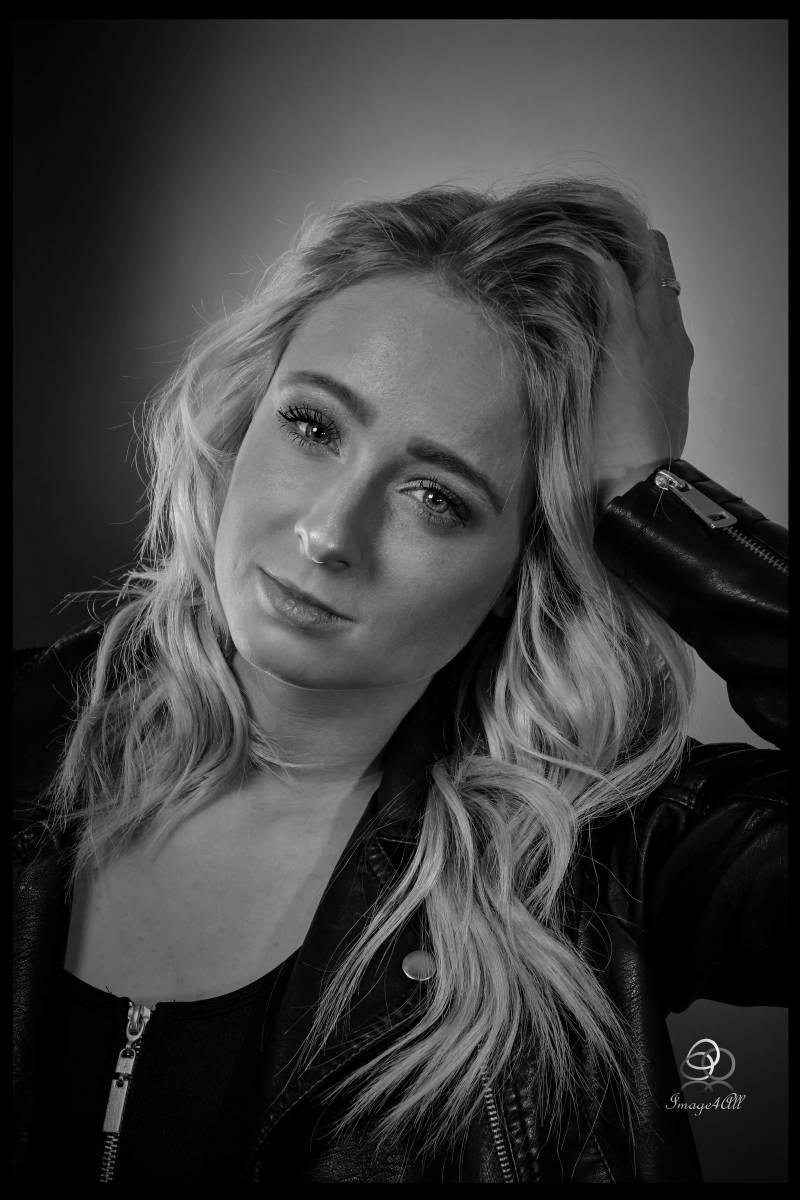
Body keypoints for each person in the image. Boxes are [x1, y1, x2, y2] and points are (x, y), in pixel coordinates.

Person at [13, 177, 787, 1183]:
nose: (329, 533)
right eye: (312, 426)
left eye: (436, 496)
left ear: (519, 573)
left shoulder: (606, 865)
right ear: (244, 418)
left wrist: (649, 496)